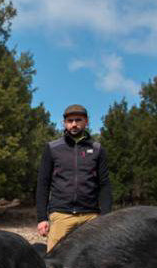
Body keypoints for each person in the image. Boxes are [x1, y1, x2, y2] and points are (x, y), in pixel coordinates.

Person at [36, 104, 112, 252]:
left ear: (87, 121)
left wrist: (106, 217)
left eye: (78, 120)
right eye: (70, 121)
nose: (74, 124)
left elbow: (104, 184)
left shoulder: (97, 149)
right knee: (54, 265)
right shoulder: (52, 148)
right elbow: (43, 184)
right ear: (64, 123)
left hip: (91, 216)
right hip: (61, 215)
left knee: (96, 261)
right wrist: (41, 218)